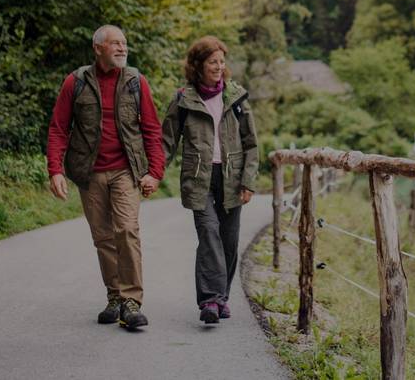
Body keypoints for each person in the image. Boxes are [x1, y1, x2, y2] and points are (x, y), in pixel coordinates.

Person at [46, 25, 164, 330]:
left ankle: (132, 301)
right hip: (90, 172)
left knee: (127, 229)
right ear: (98, 48)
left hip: (126, 170)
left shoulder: (136, 81)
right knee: (103, 237)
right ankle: (114, 296)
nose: (122, 48)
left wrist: (155, 172)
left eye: (124, 43)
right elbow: (59, 128)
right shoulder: (76, 82)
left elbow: (152, 129)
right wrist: (55, 170)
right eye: (116, 43)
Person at [161, 35, 258, 324]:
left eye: (221, 61)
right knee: (209, 232)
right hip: (199, 176)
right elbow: (167, 141)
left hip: (232, 176)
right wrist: (153, 172)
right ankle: (211, 300)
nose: (219, 66)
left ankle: (222, 296)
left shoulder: (236, 97)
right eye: (212, 61)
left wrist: (248, 180)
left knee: (229, 240)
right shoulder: (184, 99)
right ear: (198, 65)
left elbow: (251, 143)